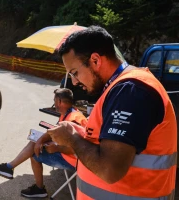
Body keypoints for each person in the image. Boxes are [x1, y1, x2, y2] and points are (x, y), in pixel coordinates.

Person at [48, 26, 176, 199]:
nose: (74, 81)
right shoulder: (121, 88)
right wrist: (82, 134)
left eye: (75, 73)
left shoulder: (130, 91)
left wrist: (72, 138)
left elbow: (109, 169)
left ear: (95, 60)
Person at [0, 88, 87, 198]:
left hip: (73, 160)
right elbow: (55, 131)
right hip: (67, 153)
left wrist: (56, 148)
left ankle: (37, 187)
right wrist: (40, 140)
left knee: (35, 155)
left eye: (54, 100)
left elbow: (79, 149)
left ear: (59, 101)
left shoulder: (73, 120)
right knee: (34, 142)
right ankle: (9, 167)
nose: (53, 103)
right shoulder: (70, 113)